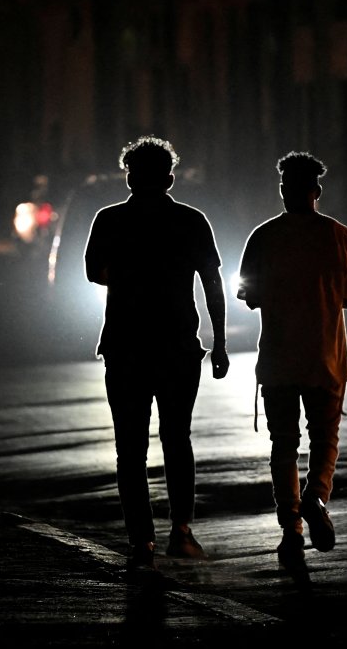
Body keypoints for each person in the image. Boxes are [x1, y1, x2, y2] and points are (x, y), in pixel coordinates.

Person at [84, 135, 230, 569]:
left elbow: (95, 273)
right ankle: (180, 532)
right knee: (176, 438)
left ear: (129, 177)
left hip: (125, 346)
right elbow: (213, 286)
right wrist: (219, 342)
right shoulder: (191, 221)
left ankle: (140, 540)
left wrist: (133, 276)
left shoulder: (109, 220)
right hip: (179, 345)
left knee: (129, 446)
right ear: (170, 178)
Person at [236, 151, 347, 575]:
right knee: (325, 440)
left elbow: (251, 296)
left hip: (278, 359)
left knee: (283, 444)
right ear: (317, 191)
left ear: (283, 190)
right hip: (327, 358)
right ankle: (316, 497)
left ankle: (291, 528)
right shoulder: (341, 237)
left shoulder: (263, 237)